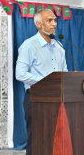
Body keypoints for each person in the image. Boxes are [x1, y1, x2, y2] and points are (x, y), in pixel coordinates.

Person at [15, 9, 68, 155]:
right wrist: (47, 82)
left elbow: (64, 74)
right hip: (36, 100)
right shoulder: (29, 45)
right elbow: (20, 74)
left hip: (58, 100)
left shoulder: (60, 47)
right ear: (39, 24)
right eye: (49, 20)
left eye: (55, 20)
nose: (54, 24)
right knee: (37, 142)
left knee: (56, 140)